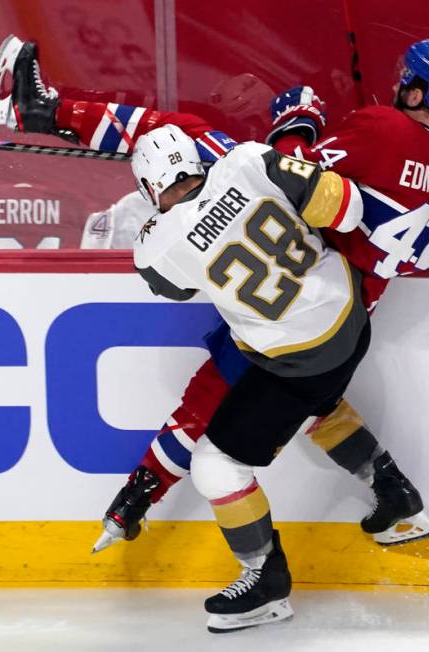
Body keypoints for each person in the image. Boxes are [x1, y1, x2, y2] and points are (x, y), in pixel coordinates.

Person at [0, 35, 429, 547]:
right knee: (312, 403)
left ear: (417, 91)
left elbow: (309, 174)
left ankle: (45, 111)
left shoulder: (385, 132)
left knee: (190, 137)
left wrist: (296, 126)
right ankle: (397, 496)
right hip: (349, 293)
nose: (395, 82)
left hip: (312, 284)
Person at [129, 124, 368, 631]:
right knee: (306, 406)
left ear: (149, 189)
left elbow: (172, 287)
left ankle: (266, 584)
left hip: (300, 360)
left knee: (217, 466)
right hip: (353, 317)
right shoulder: (249, 160)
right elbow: (348, 207)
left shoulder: (159, 245)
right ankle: (396, 493)